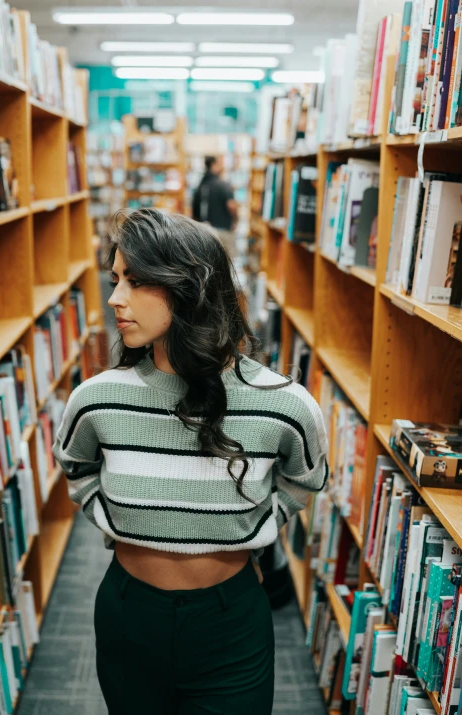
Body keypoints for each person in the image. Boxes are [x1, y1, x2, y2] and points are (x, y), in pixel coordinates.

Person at [53, 208, 328, 715]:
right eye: (115, 280)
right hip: (128, 612)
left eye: (135, 282)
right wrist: (115, 516)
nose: (114, 298)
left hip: (231, 621)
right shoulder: (96, 399)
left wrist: (256, 525)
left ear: (189, 288)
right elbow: (76, 467)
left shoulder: (284, 404)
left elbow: (305, 477)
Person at [192, 155, 238, 257]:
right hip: (224, 231)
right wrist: (235, 220)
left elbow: (194, 212)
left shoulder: (200, 186)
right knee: (230, 262)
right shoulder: (223, 185)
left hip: (204, 232)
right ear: (213, 165)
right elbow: (231, 205)